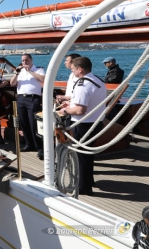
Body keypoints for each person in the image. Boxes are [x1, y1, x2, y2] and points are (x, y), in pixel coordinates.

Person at [59, 57, 106, 196]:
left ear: (80, 69)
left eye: (73, 69)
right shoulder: (98, 81)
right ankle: (89, 181)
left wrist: (65, 111)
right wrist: (71, 104)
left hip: (83, 124)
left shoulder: (82, 85)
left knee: (81, 156)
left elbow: (80, 111)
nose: (72, 71)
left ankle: (84, 187)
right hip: (96, 123)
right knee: (88, 155)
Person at [10, 54, 45, 160]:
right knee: (23, 123)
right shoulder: (19, 72)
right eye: (23, 60)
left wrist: (29, 71)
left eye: (26, 60)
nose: (25, 62)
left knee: (33, 123)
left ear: (31, 60)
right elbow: (12, 83)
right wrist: (17, 73)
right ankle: (29, 144)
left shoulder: (39, 69)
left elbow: (42, 79)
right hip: (21, 99)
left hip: (33, 99)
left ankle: (40, 148)